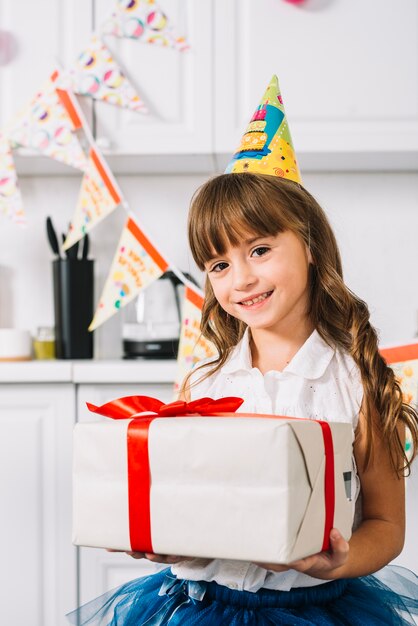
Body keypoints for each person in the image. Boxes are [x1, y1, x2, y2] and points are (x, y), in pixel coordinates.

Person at [68, 171, 418, 626]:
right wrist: (164, 539)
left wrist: (338, 561)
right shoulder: (205, 383)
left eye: (259, 250)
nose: (243, 278)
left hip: (313, 610)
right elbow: (191, 500)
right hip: (197, 605)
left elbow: (387, 527)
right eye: (219, 265)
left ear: (310, 247)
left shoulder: (353, 383)